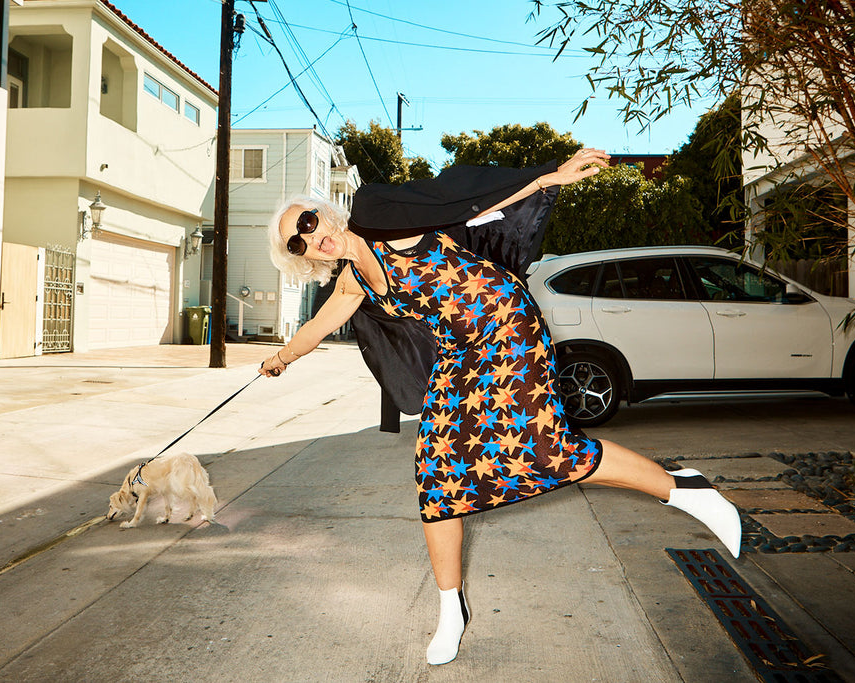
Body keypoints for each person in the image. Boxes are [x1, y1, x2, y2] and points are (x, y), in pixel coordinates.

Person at [259, 149, 742, 666]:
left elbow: (462, 200)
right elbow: (315, 327)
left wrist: (549, 179)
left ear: (324, 210)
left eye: (308, 222)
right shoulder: (354, 282)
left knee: (546, 451)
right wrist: (281, 358)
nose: (312, 236)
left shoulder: (378, 216)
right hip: (459, 352)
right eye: (299, 241)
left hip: (508, 329)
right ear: (302, 255)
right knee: (437, 474)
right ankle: (452, 609)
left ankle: (686, 491)